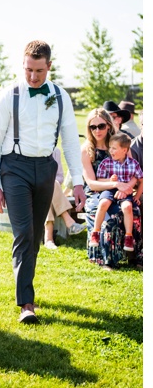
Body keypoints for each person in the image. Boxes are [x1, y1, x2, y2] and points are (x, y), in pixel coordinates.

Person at [0, 40, 85, 324]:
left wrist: (77, 182)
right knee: (24, 234)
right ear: (23, 64)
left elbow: (68, 141)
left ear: (49, 66)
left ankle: (25, 284)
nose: (33, 76)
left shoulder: (60, 96)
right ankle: (26, 304)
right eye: (28, 69)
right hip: (14, 168)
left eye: (39, 71)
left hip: (45, 168)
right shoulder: (9, 96)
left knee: (34, 235)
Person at [80, 108, 128, 268]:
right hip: (95, 194)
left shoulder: (118, 145)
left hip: (119, 191)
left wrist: (124, 187)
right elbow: (92, 184)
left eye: (100, 126)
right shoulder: (86, 150)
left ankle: (136, 257)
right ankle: (106, 260)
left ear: (108, 125)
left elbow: (131, 169)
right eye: (92, 127)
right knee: (110, 217)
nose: (97, 130)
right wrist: (114, 183)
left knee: (133, 211)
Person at [88, 132, 143, 255]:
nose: (110, 150)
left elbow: (141, 180)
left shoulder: (133, 164)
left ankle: (128, 237)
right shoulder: (106, 162)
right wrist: (110, 180)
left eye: (114, 148)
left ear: (124, 150)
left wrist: (137, 196)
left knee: (127, 207)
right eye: (110, 147)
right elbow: (99, 180)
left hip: (125, 191)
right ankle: (95, 233)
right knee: (103, 203)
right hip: (109, 189)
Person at [43, 148, 87, 250]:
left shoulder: (55, 151)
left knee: (50, 186)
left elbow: (60, 177)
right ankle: (69, 222)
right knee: (48, 186)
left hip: (50, 189)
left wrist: (49, 182)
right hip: (32, 190)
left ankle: (48, 239)